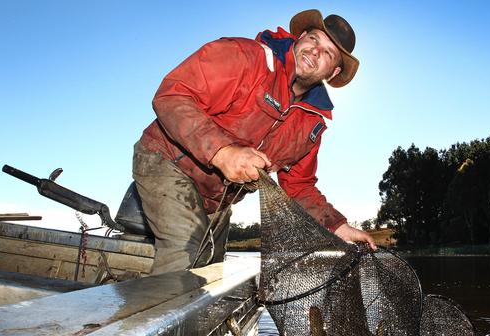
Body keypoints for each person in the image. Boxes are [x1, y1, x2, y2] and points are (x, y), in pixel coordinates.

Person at [133, 9, 375, 274]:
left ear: (334, 71)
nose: (316, 51)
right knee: (186, 253)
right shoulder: (247, 57)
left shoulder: (311, 124)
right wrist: (222, 152)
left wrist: (337, 226)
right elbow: (172, 94)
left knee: (209, 271)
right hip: (167, 160)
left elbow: (299, 187)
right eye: (315, 39)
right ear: (301, 36)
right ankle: (159, 315)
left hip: (219, 199)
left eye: (328, 53)